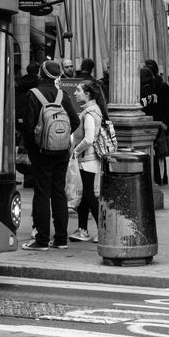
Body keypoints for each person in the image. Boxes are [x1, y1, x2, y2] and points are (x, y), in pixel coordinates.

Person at [21, 60, 80, 250]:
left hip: (41, 152)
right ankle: (61, 239)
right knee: (59, 193)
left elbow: (28, 126)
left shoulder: (34, 94)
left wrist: (33, 146)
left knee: (41, 194)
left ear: (41, 74)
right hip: (62, 152)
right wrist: (63, 137)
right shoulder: (62, 94)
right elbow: (75, 121)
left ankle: (42, 239)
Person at [70, 80, 108, 243]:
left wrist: (75, 151)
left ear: (88, 94)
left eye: (78, 91)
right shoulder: (92, 110)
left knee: (88, 195)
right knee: (85, 197)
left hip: (88, 159)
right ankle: (82, 229)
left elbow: (89, 139)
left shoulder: (90, 113)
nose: (75, 93)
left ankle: (104, 230)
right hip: (89, 159)